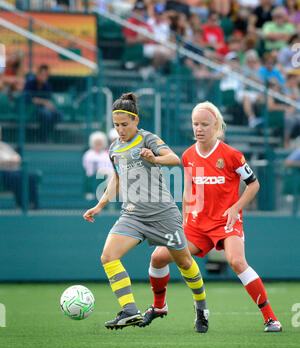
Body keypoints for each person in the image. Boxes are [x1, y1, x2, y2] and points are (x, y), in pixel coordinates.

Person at [145, 101, 282, 333]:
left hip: (226, 222)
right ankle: (159, 307)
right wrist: (184, 219)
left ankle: (271, 318)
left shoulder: (231, 155)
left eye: (204, 124)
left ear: (216, 125)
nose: (199, 128)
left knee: (237, 261)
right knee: (158, 257)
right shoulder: (188, 156)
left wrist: (236, 207)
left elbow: (254, 184)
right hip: (198, 225)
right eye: (195, 124)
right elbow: (189, 191)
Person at [83, 92, 209, 332]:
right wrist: (99, 206)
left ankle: (201, 308)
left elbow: (175, 159)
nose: (120, 130)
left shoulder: (147, 139)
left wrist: (155, 158)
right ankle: (129, 310)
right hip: (132, 215)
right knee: (108, 256)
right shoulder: (114, 149)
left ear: (136, 121)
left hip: (163, 215)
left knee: (184, 262)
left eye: (124, 124)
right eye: (116, 125)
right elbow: (116, 180)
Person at [23, 64, 62, 142]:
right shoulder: (30, 83)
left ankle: (43, 135)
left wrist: (50, 105)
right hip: (31, 109)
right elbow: (27, 98)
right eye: (42, 74)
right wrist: (42, 102)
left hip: (43, 109)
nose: (44, 77)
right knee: (46, 114)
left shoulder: (47, 85)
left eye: (46, 75)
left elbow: (49, 100)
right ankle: (42, 137)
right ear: (38, 74)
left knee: (58, 114)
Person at [82, 131, 114, 200]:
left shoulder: (106, 154)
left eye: (100, 144)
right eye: (96, 144)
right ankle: (89, 192)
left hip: (104, 175)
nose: (98, 146)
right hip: (92, 174)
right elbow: (87, 167)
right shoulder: (88, 154)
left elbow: (110, 167)